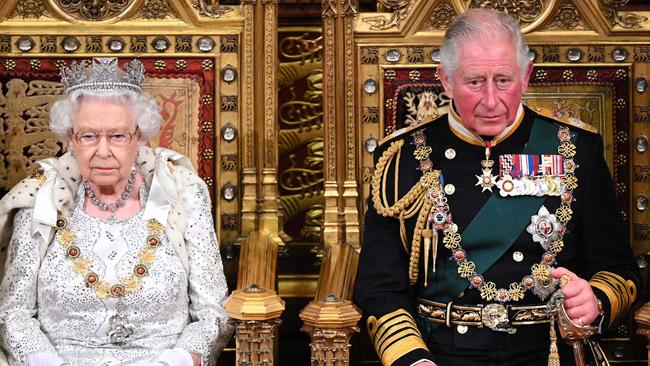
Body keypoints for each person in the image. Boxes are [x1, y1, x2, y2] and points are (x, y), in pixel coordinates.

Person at [354, 9, 640, 366]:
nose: (491, 100)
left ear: (526, 75)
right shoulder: (402, 157)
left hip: (549, 352)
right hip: (439, 354)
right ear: (445, 80)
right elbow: (379, 285)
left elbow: (620, 271)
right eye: (475, 82)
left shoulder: (577, 149)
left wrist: (595, 299)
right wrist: (411, 358)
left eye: (504, 80)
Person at [0, 58, 232, 366]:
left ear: (139, 137)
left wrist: (175, 362)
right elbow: (12, 313)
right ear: (71, 139)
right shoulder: (41, 202)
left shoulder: (181, 197)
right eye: (89, 136)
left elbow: (213, 314)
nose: (104, 150)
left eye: (118, 136)